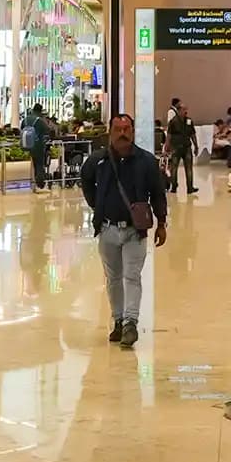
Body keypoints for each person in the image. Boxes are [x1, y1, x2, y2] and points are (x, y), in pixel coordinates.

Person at [79, 113, 167, 348]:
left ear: (133, 131)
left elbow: (158, 193)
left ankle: (131, 322)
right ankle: (118, 320)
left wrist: (162, 222)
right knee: (113, 278)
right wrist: (96, 204)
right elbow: (85, 179)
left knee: (132, 276)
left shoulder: (146, 161)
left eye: (127, 129)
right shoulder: (98, 160)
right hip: (107, 229)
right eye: (118, 129)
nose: (122, 134)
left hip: (134, 231)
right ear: (110, 132)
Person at [165, 98, 198, 194]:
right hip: (176, 147)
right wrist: (167, 146)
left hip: (187, 147)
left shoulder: (189, 121)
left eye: (186, 109)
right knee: (174, 168)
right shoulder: (173, 122)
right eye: (184, 109)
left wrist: (196, 146)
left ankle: (190, 187)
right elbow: (169, 135)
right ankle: (174, 186)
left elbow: (193, 134)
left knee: (189, 168)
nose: (186, 111)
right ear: (178, 110)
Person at [24, 104, 54, 193]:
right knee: (40, 165)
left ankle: (35, 183)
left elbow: (22, 129)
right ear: (40, 111)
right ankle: (40, 185)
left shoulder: (25, 119)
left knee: (34, 164)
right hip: (38, 145)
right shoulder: (39, 120)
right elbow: (48, 130)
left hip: (28, 144)